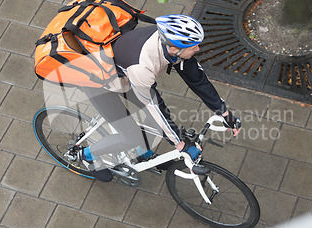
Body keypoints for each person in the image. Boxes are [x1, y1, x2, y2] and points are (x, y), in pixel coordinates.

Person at [79, 14, 241, 181]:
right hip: (100, 86)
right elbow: (154, 107)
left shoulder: (170, 44)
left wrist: (223, 112)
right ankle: (87, 155)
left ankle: (142, 152)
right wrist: (181, 145)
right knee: (131, 136)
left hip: (125, 76)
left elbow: (198, 81)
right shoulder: (143, 67)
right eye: (194, 46)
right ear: (174, 48)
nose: (198, 49)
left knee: (156, 122)